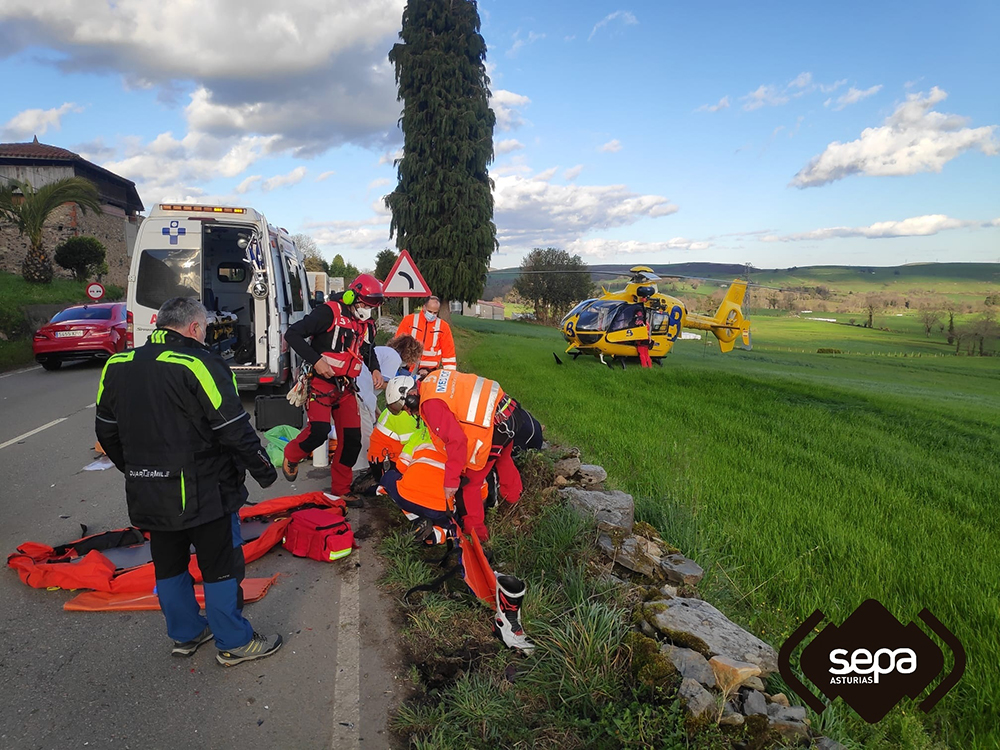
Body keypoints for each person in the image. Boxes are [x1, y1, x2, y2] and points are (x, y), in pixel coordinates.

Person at [94, 297, 281, 666]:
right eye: (205, 329)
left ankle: (186, 633)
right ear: (194, 328)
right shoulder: (199, 363)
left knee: (169, 565)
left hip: (149, 492)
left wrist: (135, 470)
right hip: (205, 490)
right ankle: (234, 642)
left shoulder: (117, 364)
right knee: (220, 565)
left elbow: (106, 431)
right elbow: (232, 427)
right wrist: (265, 470)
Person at [281, 273, 384, 505]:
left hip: (346, 387)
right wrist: (316, 360)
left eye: (372, 306)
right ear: (352, 296)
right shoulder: (328, 312)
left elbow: (367, 349)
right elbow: (292, 334)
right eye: (365, 304)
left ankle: (341, 490)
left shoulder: (366, 324)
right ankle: (293, 454)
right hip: (320, 383)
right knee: (319, 430)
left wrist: (375, 369)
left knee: (351, 440)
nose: (368, 309)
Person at [395, 369, 530, 542]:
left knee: (470, 485)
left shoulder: (430, 405)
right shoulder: (432, 378)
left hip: (494, 426)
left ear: (411, 396)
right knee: (503, 458)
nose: (408, 412)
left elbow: (456, 441)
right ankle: (514, 499)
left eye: (406, 407)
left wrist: (451, 481)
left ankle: (477, 536)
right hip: (508, 411)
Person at [352, 334, 423, 473]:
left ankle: (361, 467)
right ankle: (363, 469)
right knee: (366, 435)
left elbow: (373, 387)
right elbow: (382, 384)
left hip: (358, 390)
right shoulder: (394, 358)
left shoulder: (384, 351)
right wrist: (402, 386)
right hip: (360, 393)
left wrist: (377, 410)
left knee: (359, 432)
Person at [395, 295, 457, 374]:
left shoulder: (443, 327)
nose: (432, 315)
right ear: (424, 307)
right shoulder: (409, 321)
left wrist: (450, 374)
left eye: (435, 313)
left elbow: (449, 354)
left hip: (429, 371)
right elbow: (398, 344)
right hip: (406, 369)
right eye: (430, 311)